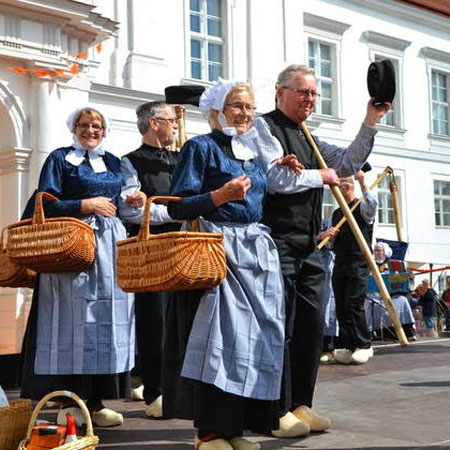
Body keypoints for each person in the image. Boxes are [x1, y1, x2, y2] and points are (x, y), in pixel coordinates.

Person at [252, 64, 391, 436]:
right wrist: (321, 176)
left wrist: (371, 120)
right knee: (278, 326)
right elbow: (274, 179)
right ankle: (275, 410)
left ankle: (301, 403)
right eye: (303, 92)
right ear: (281, 92)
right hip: (275, 242)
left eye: (314, 93)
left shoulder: (308, 136)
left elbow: (347, 162)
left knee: (312, 325)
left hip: (309, 246)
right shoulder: (264, 128)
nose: (310, 99)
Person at [162, 79, 285, 450]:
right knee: (219, 339)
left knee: (256, 339)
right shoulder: (200, 147)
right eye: (237, 106)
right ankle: (210, 432)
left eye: (249, 106)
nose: (245, 113)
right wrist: (221, 195)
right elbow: (176, 205)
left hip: (254, 251)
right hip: (217, 248)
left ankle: (237, 429)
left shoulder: (252, 151)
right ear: (217, 111)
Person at [20, 106, 135, 427]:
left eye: (97, 126)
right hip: (71, 248)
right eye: (84, 125)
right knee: (72, 321)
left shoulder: (113, 161)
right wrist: (84, 205)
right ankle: (67, 400)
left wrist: (131, 202)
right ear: (74, 128)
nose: (91, 130)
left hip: (109, 251)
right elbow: (41, 203)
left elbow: (120, 203)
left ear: (104, 130)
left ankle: (96, 402)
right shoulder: (59, 159)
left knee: (103, 319)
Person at [119, 101, 180, 418]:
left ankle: (177, 387)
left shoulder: (182, 158)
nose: (176, 125)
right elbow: (130, 209)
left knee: (181, 320)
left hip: (182, 247)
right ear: (154, 123)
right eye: (171, 120)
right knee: (153, 320)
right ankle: (155, 390)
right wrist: (177, 211)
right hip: (149, 250)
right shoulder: (129, 162)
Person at [327, 171, 378, 364]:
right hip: (340, 260)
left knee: (354, 302)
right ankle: (348, 344)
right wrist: (330, 236)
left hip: (358, 260)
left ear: (346, 188)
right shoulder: (337, 214)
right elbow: (333, 244)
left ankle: (364, 344)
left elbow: (373, 205)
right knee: (341, 303)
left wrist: (363, 181)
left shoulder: (361, 206)